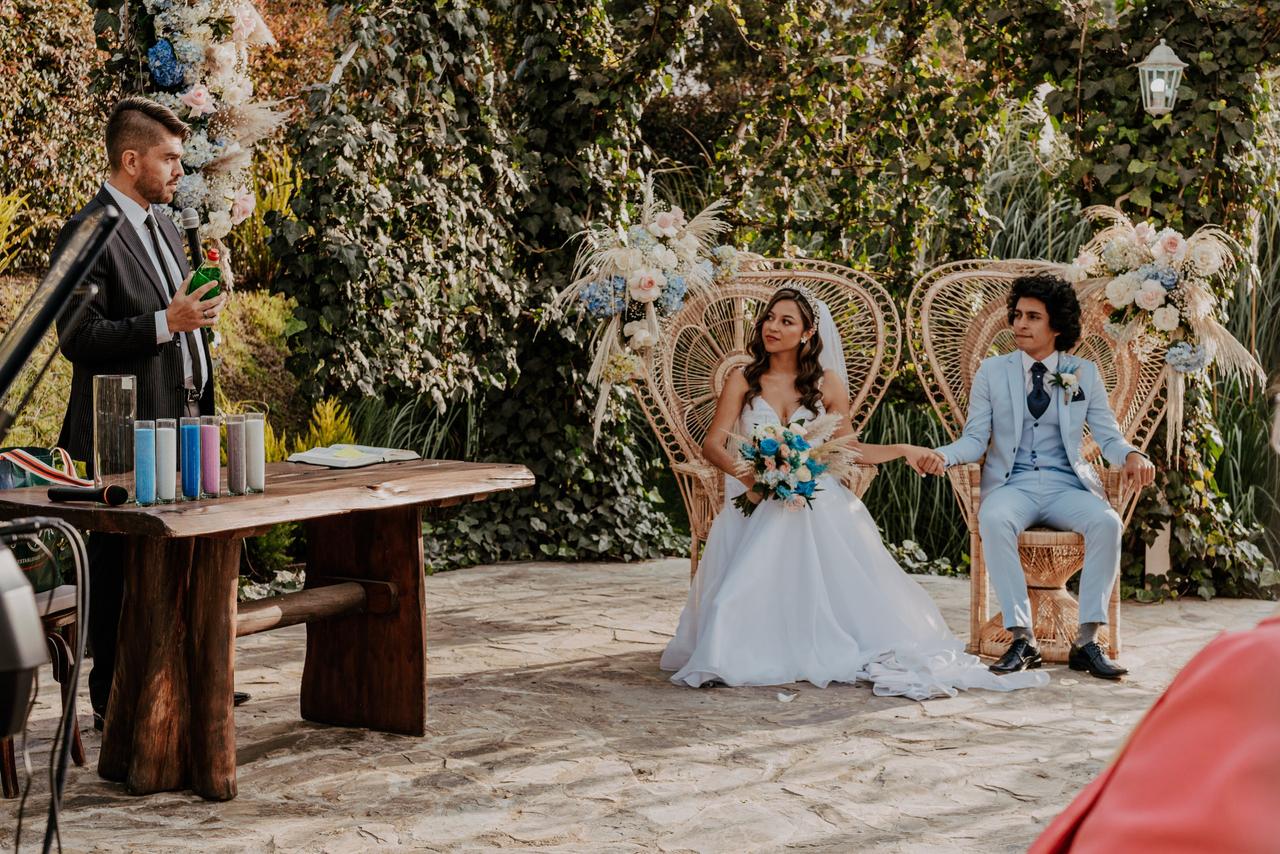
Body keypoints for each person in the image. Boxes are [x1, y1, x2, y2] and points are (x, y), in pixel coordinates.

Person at [660, 285, 1048, 699]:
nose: (772, 327)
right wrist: (759, 479)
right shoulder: (744, 377)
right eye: (769, 318)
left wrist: (901, 450)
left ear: (808, 332)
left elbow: (849, 449)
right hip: (757, 493)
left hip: (813, 492)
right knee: (777, 515)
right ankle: (735, 643)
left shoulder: (827, 384)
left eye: (786, 321)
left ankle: (810, 637)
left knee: (804, 510)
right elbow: (713, 445)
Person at [53, 96, 229, 729]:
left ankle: (179, 677)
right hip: (121, 433)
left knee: (178, 565)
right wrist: (165, 322)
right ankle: (116, 703)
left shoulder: (164, 228)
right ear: (131, 160)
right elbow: (75, 335)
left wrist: (193, 320)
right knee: (123, 573)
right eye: (170, 158)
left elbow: (179, 318)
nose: (179, 170)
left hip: (182, 423)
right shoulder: (87, 229)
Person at [915, 274, 1156, 679]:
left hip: (1066, 485)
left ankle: (1087, 641)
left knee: (1107, 523)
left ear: (1056, 325)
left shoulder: (1083, 373)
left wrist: (1132, 453)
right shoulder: (992, 372)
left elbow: (1108, 437)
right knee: (993, 517)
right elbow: (974, 440)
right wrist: (942, 455)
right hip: (1014, 484)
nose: (1020, 324)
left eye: (1032, 317)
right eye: (1017, 315)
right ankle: (1022, 638)